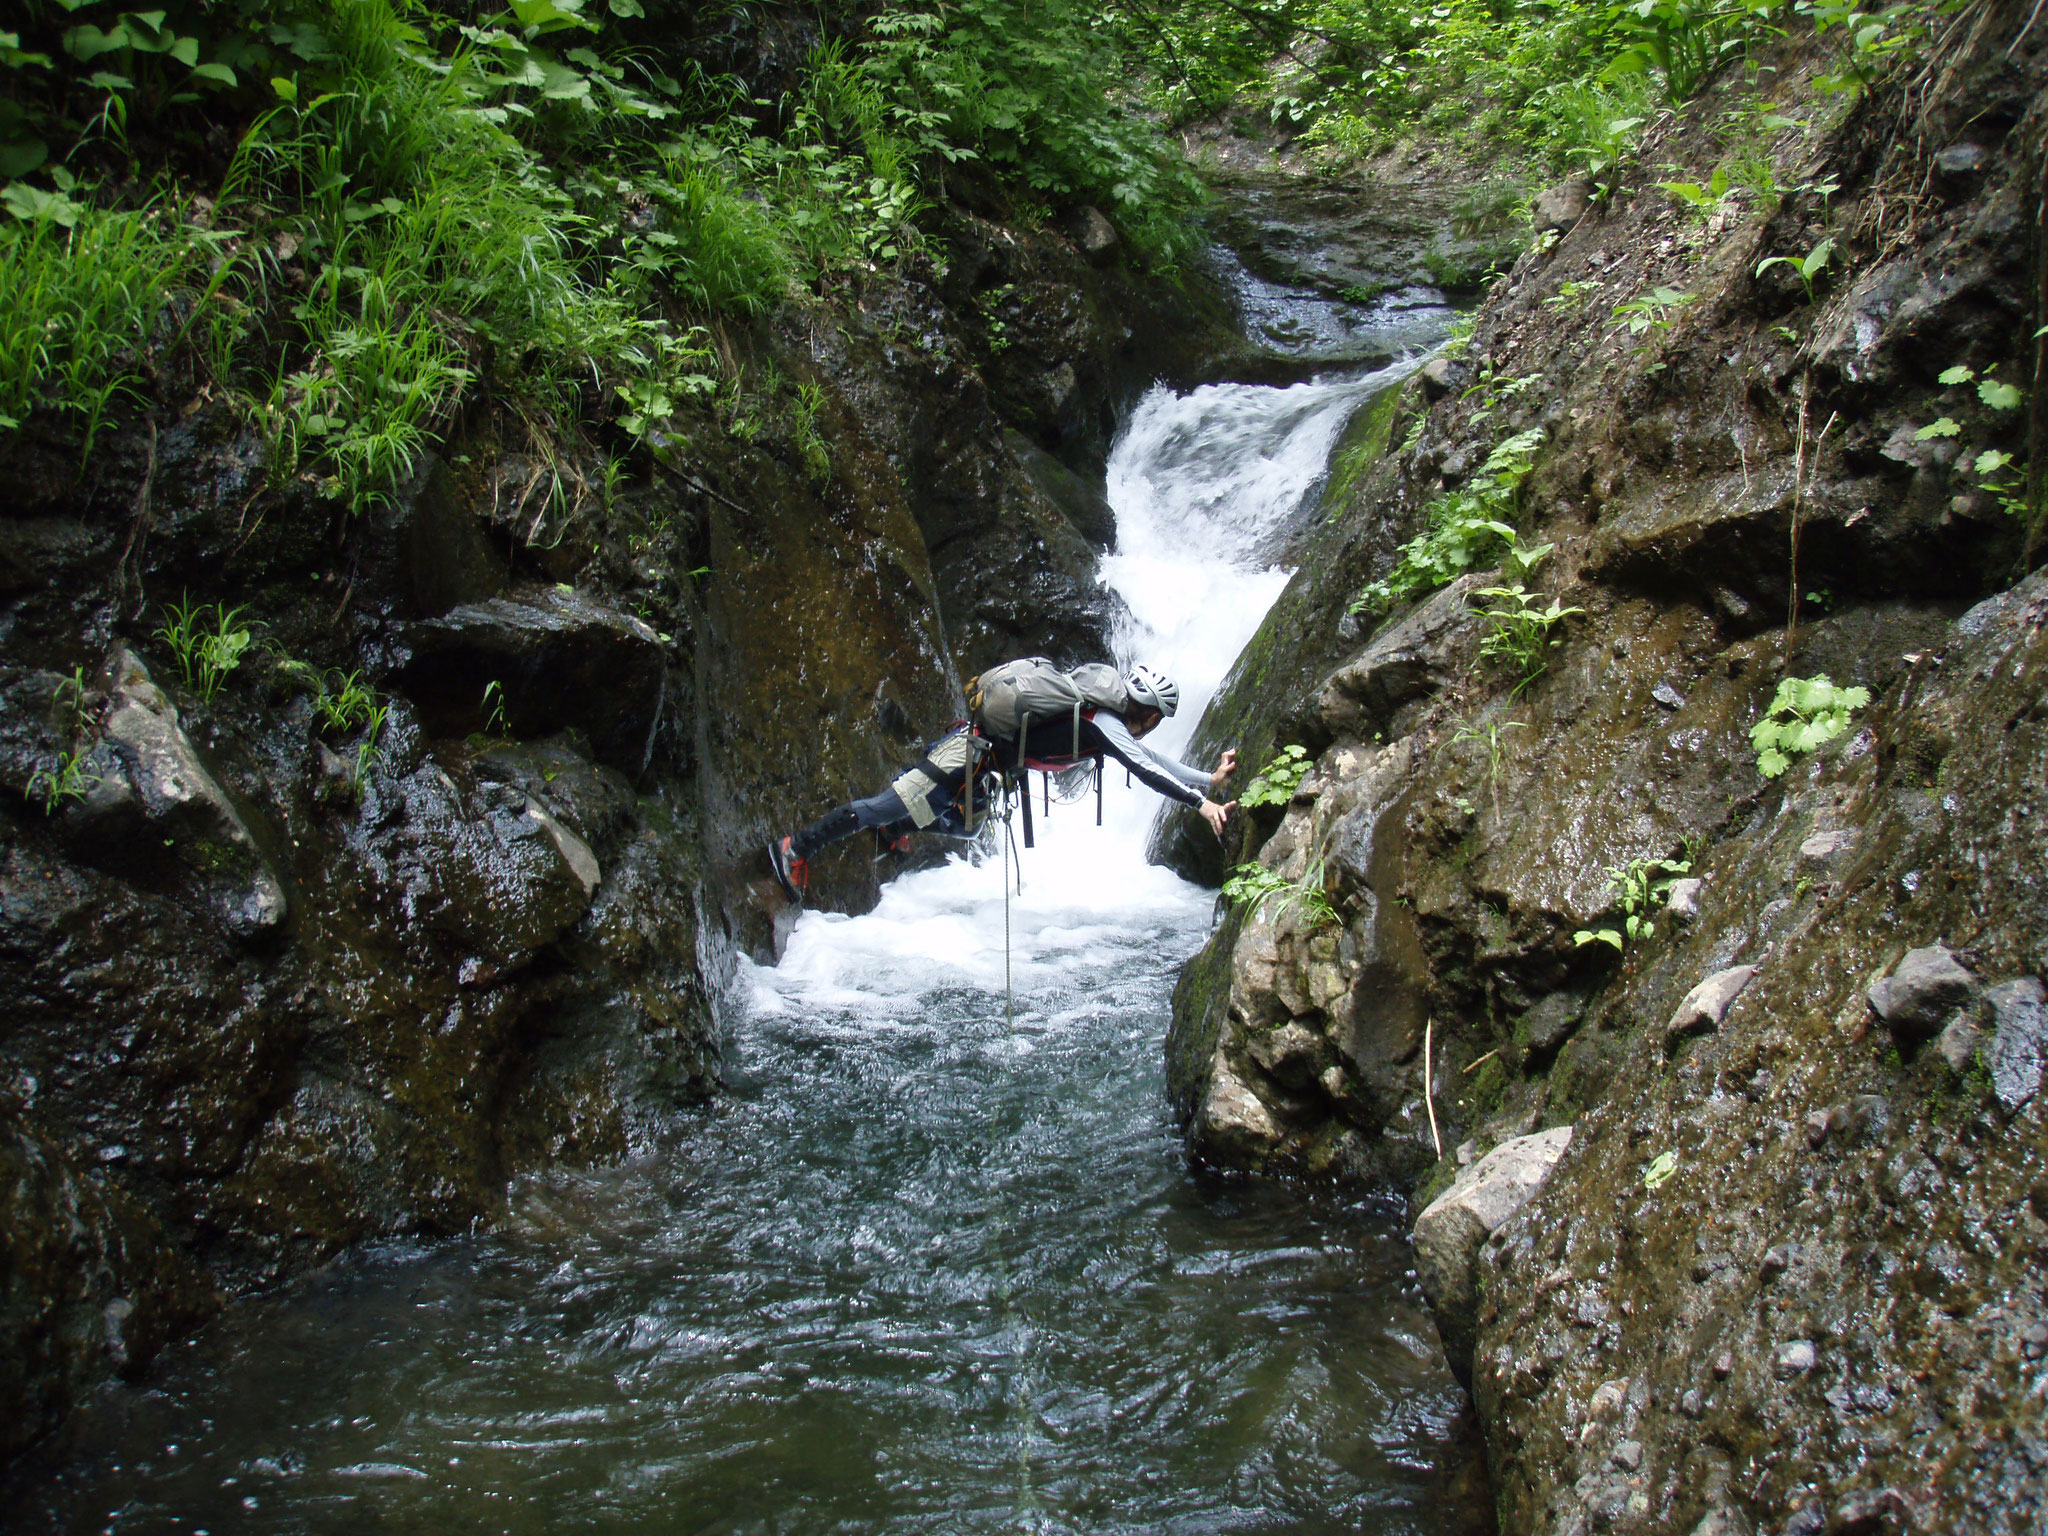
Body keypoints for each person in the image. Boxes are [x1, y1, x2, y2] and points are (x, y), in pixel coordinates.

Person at [767, 663, 1237, 901]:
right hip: (965, 753)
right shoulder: (1106, 724)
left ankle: (895, 831)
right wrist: (1202, 804)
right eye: (1157, 719)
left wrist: (1208, 779)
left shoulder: (1105, 721)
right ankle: (795, 848)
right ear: (1149, 713)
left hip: (986, 767)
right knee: (884, 804)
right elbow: (1146, 768)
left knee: (966, 828)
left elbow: (1148, 758)